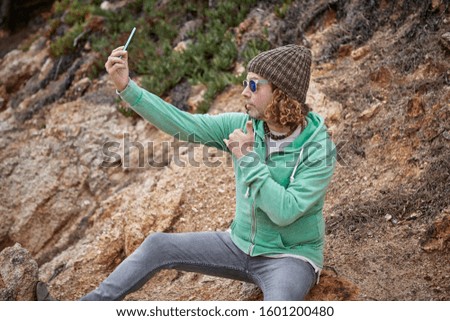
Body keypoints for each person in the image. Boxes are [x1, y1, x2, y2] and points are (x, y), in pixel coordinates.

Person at [37, 44, 336, 301]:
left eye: (254, 85)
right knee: (158, 245)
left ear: (280, 94)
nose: (244, 92)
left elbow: (285, 211)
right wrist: (127, 88)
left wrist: (247, 157)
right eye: (245, 82)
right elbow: (184, 124)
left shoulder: (318, 148)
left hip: (291, 258)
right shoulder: (245, 126)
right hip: (239, 243)